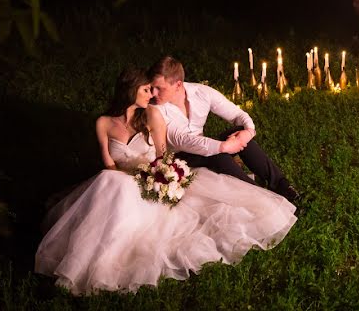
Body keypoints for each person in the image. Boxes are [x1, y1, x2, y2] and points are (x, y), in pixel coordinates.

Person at [35, 67, 297, 295]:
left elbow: (163, 155)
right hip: (122, 179)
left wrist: (241, 135)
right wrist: (131, 176)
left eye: (155, 89)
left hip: (152, 175)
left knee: (114, 184)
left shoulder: (159, 112)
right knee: (109, 180)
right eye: (147, 90)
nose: (152, 95)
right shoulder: (105, 122)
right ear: (131, 91)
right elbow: (110, 163)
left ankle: (278, 186)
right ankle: (84, 261)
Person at [148, 56, 301, 203]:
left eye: (159, 88)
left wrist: (248, 132)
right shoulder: (156, 108)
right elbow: (181, 140)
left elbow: (237, 114)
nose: (153, 93)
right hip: (180, 158)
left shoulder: (201, 92)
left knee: (239, 131)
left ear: (178, 85)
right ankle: (264, 197)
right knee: (218, 154)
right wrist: (222, 146)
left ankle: (282, 185)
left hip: (205, 147)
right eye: (152, 87)